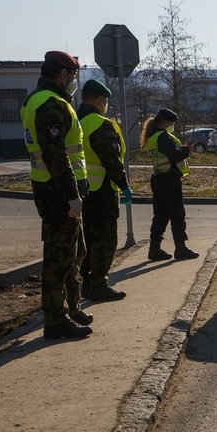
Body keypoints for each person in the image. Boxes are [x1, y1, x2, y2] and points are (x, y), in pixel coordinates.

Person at [20, 51, 93, 340]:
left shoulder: (39, 99)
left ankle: (70, 309)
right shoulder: (49, 104)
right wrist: (72, 196)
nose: (73, 82)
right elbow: (56, 156)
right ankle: (55, 320)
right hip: (57, 193)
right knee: (59, 259)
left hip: (55, 190)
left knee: (74, 253)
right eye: (72, 76)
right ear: (62, 74)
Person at [78, 79, 132, 301]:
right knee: (105, 240)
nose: (106, 105)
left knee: (89, 238)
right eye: (106, 101)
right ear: (100, 100)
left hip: (83, 189)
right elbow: (111, 161)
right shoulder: (101, 124)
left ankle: (88, 284)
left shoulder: (76, 121)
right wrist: (124, 186)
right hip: (103, 190)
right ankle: (99, 284)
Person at [140, 108, 199, 261]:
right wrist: (186, 151)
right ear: (166, 122)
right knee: (177, 214)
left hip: (158, 178)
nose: (172, 126)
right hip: (170, 179)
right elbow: (174, 156)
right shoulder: (164, 137)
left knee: (160, 216)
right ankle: (180, 248)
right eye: (172, 123)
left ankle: (154, 248)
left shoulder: (152, 137)